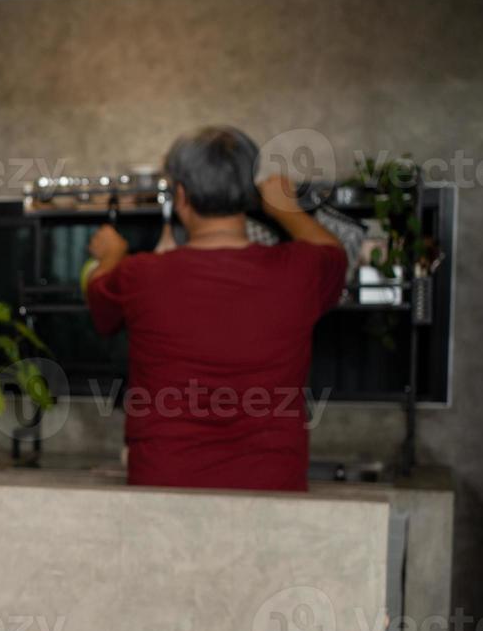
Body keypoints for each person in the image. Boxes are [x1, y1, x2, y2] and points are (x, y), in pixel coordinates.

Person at [81, 126, 347, 492]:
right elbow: (333, 254)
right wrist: (285, 207)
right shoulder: (300, 270)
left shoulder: (139, 275)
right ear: (248, 194)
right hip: (271, 488)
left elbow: (99, 301)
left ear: (181, 195)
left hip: (165, 485)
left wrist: (112, 254)